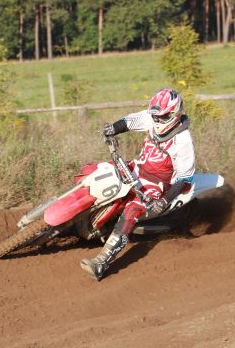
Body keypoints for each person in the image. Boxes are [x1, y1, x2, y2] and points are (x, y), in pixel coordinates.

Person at [80, 88, 195, 281]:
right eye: (155, 116)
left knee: (132, 210)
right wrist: (113, 128)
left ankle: (101, 262)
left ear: (174, 114)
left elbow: (185, 178)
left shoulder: (183, 140)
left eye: (163, 116)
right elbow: (130, 121)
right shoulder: (152, 118)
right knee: (97, 171)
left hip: (156, 184)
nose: (157, 120)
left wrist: (164, 200)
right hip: (135, 167)